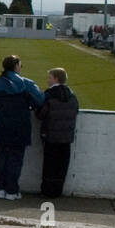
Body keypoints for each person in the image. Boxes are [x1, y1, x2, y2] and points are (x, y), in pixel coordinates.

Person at [0, 54, 44, 200]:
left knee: (2, 156)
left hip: (0, 124)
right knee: (16, 158)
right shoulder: (27, 84)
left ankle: (1, 189)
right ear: (16, 66)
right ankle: (12, 190)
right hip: (20, 125)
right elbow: (39, 100)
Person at [38, 68, 79, 198]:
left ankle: (47, 191)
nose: (48, 80)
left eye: (49, 77)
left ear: (56, 78)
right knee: (62, 165)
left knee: (49, 164)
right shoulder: (72, 95)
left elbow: (41, 114)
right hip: (67, 137)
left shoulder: (49, 94)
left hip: (51, 136)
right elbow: (75, 111)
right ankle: (57, 190)